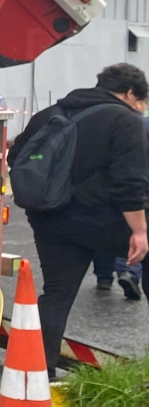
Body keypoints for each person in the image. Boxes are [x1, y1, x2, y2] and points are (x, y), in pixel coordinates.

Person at [8, 63, 149, 378]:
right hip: (102, 221)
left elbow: (16, 157)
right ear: (130, 93)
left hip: (50, 220)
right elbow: (129, 184)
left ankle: (35, 373)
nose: (141, 108)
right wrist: (139, 231)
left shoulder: (50, 113)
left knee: (56, 294)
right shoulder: (126, 120)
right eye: (142, 101)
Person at [93, 111, 149, 300]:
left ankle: (103, 277)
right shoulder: (137, 126)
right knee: (133, 233)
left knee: (106, 232)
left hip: (106, 190)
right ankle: (129, 271)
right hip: (136, 190)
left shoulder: (111, 123)